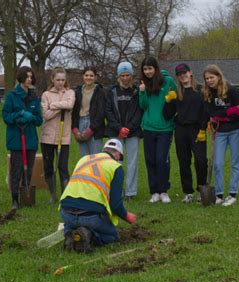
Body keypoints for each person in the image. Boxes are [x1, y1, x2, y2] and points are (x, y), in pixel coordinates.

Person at [59, 139, 137, 253]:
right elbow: (115, 204)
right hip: (90, 217)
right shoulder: (116, 167)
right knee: (113, 236)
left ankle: (70, 233)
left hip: (66, 212)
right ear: (118, 154)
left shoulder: (84, 159)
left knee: (72, 223)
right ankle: (89, 235)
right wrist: (126, 216)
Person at [163, 63, 208, 203]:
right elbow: (167, 115)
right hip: (181, 130)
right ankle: (187, 192)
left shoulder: (201, 90)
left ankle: (202, 190)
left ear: (190, 73)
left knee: (201, 161)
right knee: (184, 161)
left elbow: (205, 111)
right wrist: (168, 101)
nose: (183, 76)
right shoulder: (176, 93)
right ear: (178, 77)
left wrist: (202, 129)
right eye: (180, 74)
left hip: (197, 129)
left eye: (185, 73)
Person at [202, 64, 239, 206]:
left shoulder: (232, 90)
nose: (209, 80)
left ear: (218, 76)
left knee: (235, 163)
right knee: (218, 163)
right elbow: (211, 113)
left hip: (235, 130)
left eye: (211, 77)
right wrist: (228, 113)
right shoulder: (208, 93)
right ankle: (219, 195)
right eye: (207, 78)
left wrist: (223, 115)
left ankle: (232, 194)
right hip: (219, 132)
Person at [2, 66, 43, 210]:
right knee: (16, 169)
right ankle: (14, 199)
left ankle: (26, 194)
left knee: (29, 169)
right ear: (21, 78)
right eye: (27, 77)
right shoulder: (12, 96)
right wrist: (19, 115)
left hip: (30, 139)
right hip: (16, 139)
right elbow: (6, 116)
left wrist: (31, 117)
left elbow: (39, 120)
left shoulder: (34, 97)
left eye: (31, 77)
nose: (29, 80)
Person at [138, 56, 177, 203]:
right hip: (148, 127)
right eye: (145, 69)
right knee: (150, 160)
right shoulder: (143, 84)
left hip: (165, 128)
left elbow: (174, 103)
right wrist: (142, 92)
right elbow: (143, 106)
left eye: (150, 68)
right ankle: (154, 191)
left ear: (156, 68)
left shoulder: (168, 81)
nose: (148, 72)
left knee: (162, 159)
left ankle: (163, 190)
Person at [105, 61, 143, 201]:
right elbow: (108, 111)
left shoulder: (137, 91)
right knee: (115, 162)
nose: (125, 78)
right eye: (123, 75)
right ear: (118, 76)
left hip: (133, 132)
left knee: (132, 162)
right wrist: (118, 128)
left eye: (128, 75)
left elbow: (139, 111)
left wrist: (128, 128)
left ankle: (130, 192)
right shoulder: (111, 92)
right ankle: (116, 190)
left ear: (131, 76)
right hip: (116, 132)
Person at [40, 67, 75, 202]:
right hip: (47, 137)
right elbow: (46, 115)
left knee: (63, 167)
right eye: (58, 80)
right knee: (48, 166)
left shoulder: (70, 92)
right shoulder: (46, 94)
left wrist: (54, 105)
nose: (60, 82)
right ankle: (52, 194)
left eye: (63, 80)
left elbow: (70, 104)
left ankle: (65, 195)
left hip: (64, 137)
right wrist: (61, 107)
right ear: (52, 80)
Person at [71, 66, 106, 156]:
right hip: (81, 123)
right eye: (86, 75)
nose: (88, 78)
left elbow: (101, 113)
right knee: (84, 159)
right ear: (83, 76)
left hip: (95, 127)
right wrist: (75, 129)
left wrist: (91, 130)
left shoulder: (100, 92)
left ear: (95, 77)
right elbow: (74, 112)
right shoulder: (77, 92)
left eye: (91, 75)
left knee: (95, 158)